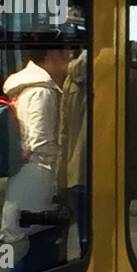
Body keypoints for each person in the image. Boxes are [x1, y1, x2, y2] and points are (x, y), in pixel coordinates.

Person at [0, 43, 70, 272]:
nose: (69, 57)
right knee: (39, 251)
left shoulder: (25, 86)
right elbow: (40, 142)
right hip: (39, 179)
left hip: (27, 178)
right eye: (65, 51)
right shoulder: (42, 91)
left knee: (36, 251)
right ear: (51, 52)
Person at [57, 47, 89, 259]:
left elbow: (64, 132)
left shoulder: (71, 79)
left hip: (77, 173)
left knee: (85, 239)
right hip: (110, 175)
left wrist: (61, 176)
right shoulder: (129, 77)